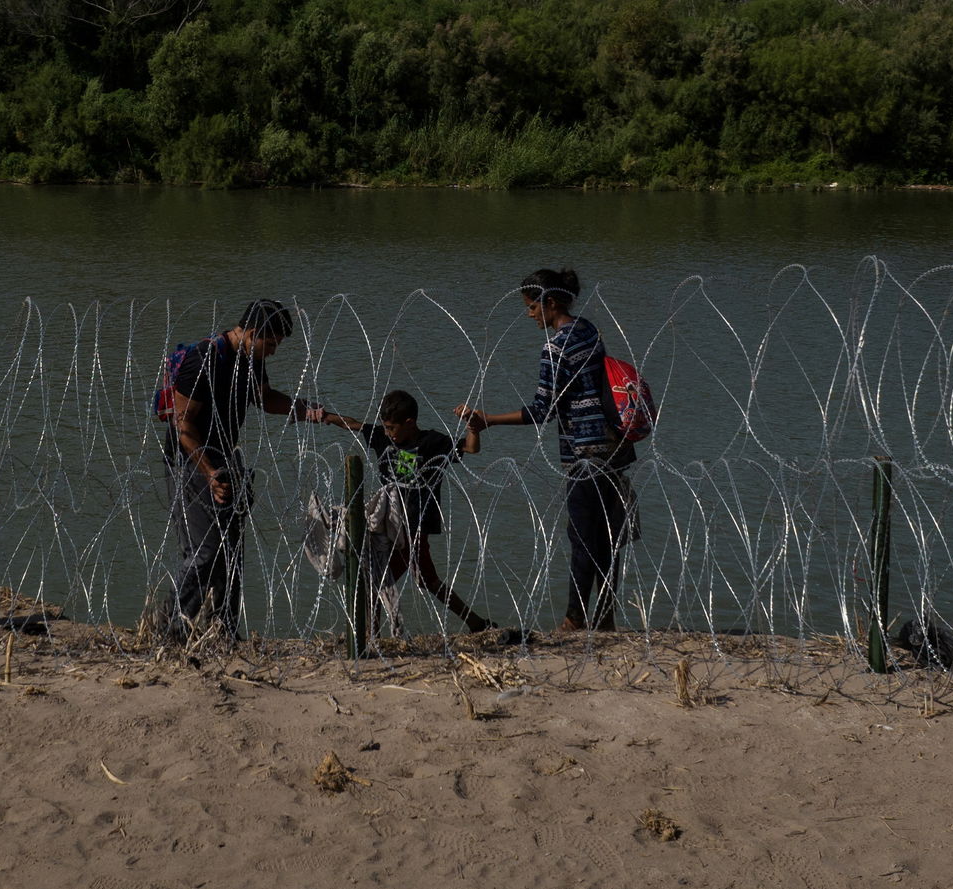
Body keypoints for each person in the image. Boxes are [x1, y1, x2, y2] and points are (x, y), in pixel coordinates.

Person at [457, 268, 635, 631]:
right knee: (607, 538)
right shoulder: (588, 330)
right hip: (614, 447)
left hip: (585, 453)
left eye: (532, 307)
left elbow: (542, 410)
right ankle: (604, 618)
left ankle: (574, 620)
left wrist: (488, 420)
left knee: (583, 537)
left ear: (550, 303)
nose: (529, 315)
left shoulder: (555, 347)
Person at [168, 299, 327, 640]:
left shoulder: (248, 359)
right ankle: (177, 629)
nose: (273, 352)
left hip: (226, 459)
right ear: (253, 333)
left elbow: (264, 397)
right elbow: (184, 427)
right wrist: (210, 473)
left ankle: (224, 630)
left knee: (231, 551)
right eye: (271, 344)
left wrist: (304, 409)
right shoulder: (204, 359)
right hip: (193, 463)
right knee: (204, 551)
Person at [322, 389, 496, 636]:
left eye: (392, 427)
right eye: (385, 426)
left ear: (410, 423)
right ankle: (476, 623)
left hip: (414, 526)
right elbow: (353, 424)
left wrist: (473, 428)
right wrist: (322, 415)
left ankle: (369, 637)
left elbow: (470, 448)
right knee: (426, 580)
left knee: (379, 579)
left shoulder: (432, 443)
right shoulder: (383, 438)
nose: (387, 432)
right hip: (388, 524)